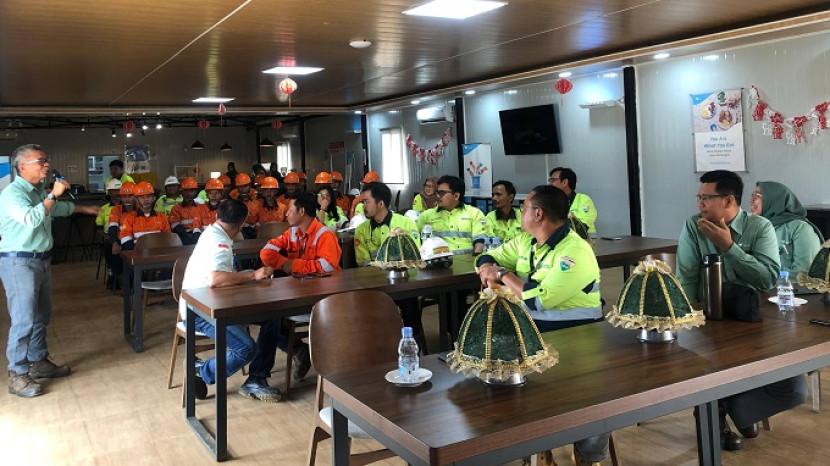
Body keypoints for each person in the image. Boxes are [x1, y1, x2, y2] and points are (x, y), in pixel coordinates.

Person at [476, 185, 607, 465]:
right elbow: (489, 256)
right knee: (499, 379)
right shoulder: (527, 241)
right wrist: (487, 266)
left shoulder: (575, 251)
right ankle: (534, 450)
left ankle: (587, 457)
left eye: (524, 208)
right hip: (533, 333)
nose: (520, 213)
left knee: (587, 397)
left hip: (579, 337)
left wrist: (503, 274)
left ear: (538, 214)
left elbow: (538, 301)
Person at [676, 170, 803, 451]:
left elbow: (767, 279)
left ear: (729, 200)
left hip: (754, 321)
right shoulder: (693, 226)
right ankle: (713, 413)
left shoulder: (760, 227)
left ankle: (734, 407)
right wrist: (691, 323)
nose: (700, 204)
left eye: (706, 198)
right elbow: (687, 280)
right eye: (699, 197)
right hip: (710, 322)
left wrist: (729, 247)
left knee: (793, 389)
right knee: (709, 362)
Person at [0, 144, 99, 397]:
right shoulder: (12, 194)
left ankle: (39, 361)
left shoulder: (36, 191)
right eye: (40, 161)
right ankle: (17, 374)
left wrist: (84, 209)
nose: (46, 165)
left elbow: (54, 210)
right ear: (22, 167)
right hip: (19, 262)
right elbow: (33, 219)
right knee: (24, 319)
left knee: (41, 316)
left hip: (41, 260)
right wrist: (54, 193)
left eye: (46, 160)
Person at [179, 199, 283, 402]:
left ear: (217, 216)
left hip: (217, 303)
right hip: (200, 312)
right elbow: (216, 280)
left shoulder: (213, 232)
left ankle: (257, 379)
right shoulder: (219, 242)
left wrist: (249, 276)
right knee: (246, 348)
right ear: (241, 223)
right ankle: (201, 370)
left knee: (271, 317)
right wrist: (253, 275)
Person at [260, 192, 342, 379]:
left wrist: (294, 265)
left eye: (290, 209)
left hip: (324, 298)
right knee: (268, 317)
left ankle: (303, 354)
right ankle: (299, 350)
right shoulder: (292, 233)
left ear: (302, 211)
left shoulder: (324, 235)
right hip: (300, 295)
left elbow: (327, 266)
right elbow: (266, 252)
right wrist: (284, 263)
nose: (286, 213)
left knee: (273, 317)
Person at [354, 182, 425, 345]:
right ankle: (378, 345)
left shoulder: (406, 223)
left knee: (409, 301)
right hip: (374, 284)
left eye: (366, 202)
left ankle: (414, 344)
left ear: (380, 204)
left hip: (404, 281)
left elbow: (414, 255)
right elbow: (362, 262)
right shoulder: (361, 230)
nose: (363, 206)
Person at [751, 181, 823, 278]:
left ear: (775, 199)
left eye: (758, 196)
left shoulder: (801, 229)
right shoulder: (756, 228)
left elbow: (804, 275)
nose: (752, 200)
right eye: (752, 195)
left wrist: (764, 275)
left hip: (786, 287)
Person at [416, 175, 488, 255]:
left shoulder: (474, 213)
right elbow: (415, 239)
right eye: (437, 192)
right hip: (438, 261)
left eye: (442, 193)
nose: (437, 196)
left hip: (467, 260)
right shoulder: (426, 216)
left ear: (456, 196)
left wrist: (475, 260)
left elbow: (480, 241)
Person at [119, 181, 171, 250]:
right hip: (138, 253)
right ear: (136, 200)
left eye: (148, 196)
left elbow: (168, 238)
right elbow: (125, 238)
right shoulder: (129, 218)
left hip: (159, 252)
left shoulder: (162, 218)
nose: (146, 200)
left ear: (154, 198)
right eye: (142, 197)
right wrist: (135, 252)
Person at [548, 167, 597, 234]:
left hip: (583, 239)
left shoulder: (583, 200)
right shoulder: (548, 201)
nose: (550, 184)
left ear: (564, 182)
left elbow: (582, 227)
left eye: (553, 180)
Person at [96, 179, 122, 289]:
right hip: (110, 237)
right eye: (114, 191)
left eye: (119, 190)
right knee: (109, 246)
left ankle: (129, 276)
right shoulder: (104, 209)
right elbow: (98, 227)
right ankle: (113, 275)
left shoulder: (127, 207)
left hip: (126, 236)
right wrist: (105, 237)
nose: (117, 193)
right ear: (109, 192)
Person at [170, 177, 209, 245]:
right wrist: (185, 236)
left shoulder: (202, 208)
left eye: (192, 191)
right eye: (186, 191)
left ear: (196, 192)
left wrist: (197, 233)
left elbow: (205, 225)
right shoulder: (176, 209)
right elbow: (175, 226)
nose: (188, 193)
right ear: (181, 192)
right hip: (182, 238)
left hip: (200, 238)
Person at [486, 180, 522, 244]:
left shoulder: (522, 216)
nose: (494, 198)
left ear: (510, 197)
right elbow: (490, 242)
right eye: (493, 195)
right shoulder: (489, 218)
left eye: (498, 194)